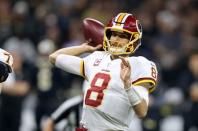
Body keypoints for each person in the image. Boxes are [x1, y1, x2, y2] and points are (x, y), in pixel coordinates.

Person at [49, 12, 158, 130]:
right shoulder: (96, 58)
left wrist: (128, 86)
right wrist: (84, 48)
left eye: (122, 36)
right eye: (113, 34)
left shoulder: (139, 64)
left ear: (134, 40)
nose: (116, 39)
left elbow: (142, 112)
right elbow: (54, 58)